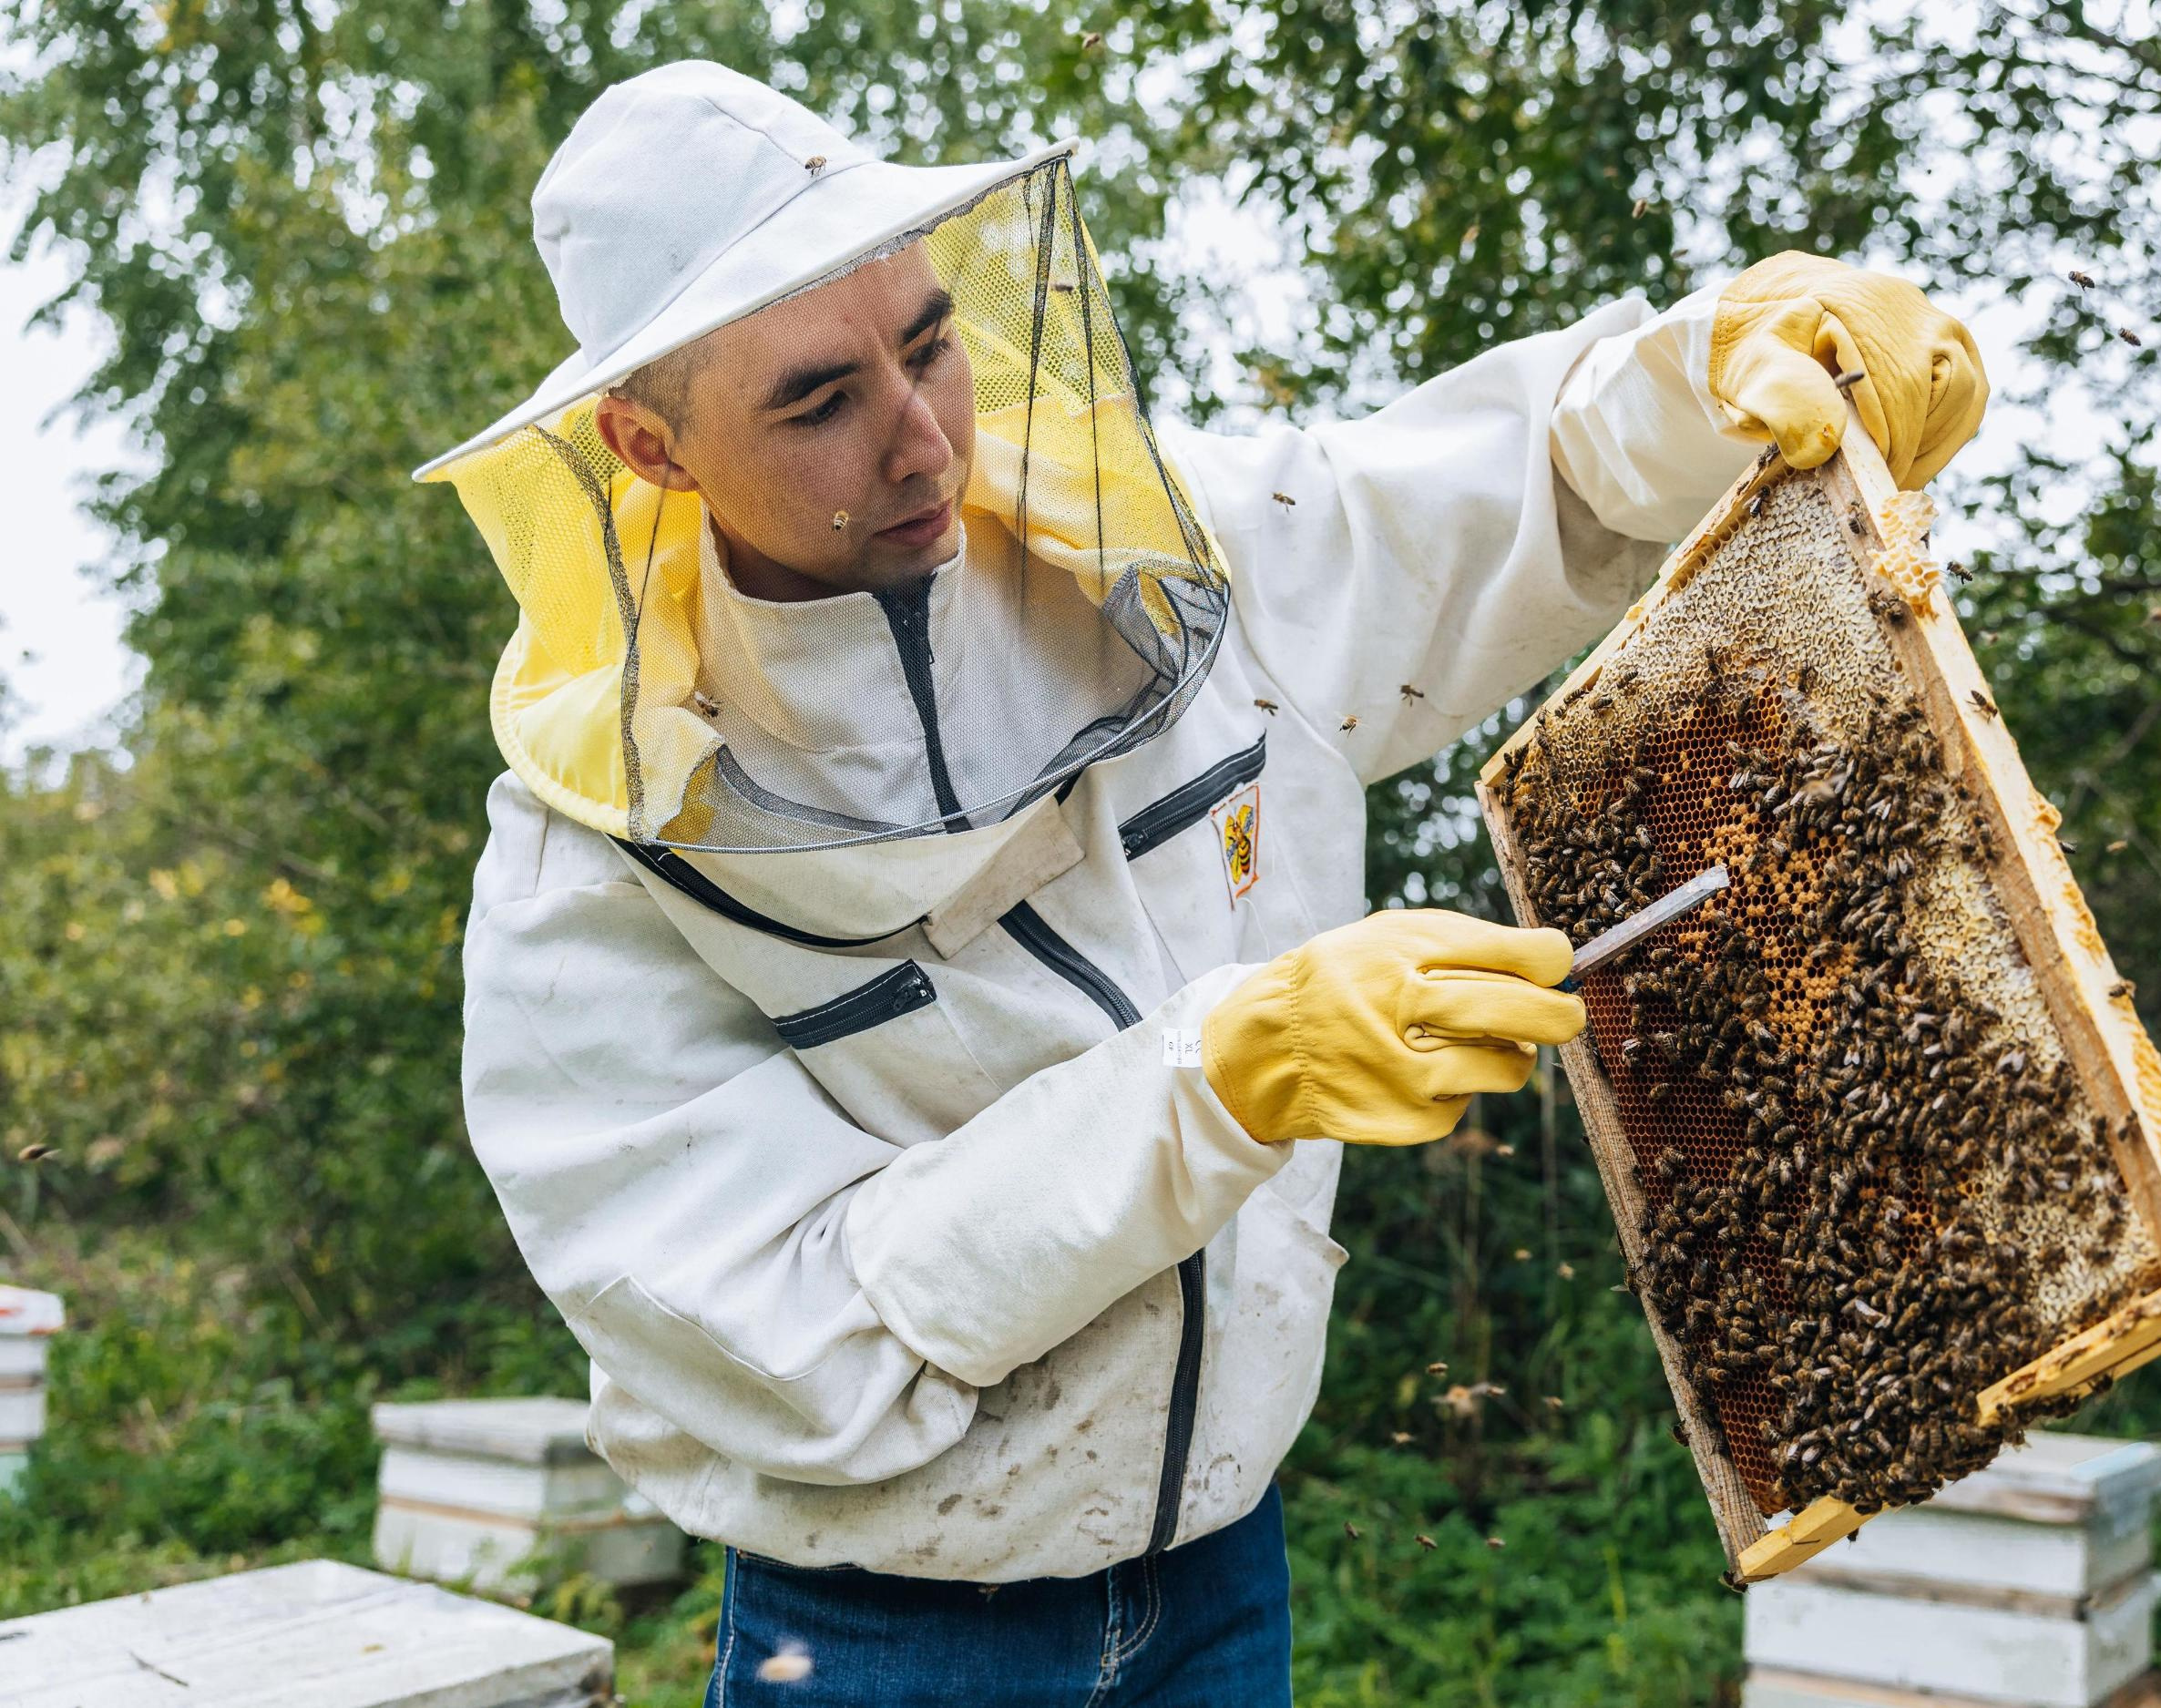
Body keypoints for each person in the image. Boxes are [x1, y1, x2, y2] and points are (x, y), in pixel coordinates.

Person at [420, 58, 1986, 1708]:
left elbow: (1497, 501)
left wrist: (1712, 367)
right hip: (886, 1636)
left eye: (933, 342)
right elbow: (793, 1343)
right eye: (819, 400)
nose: (920, 438)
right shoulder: (589, 873)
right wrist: (1218, 1082)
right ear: (645, 445)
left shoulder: (1156, 560)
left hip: (1224, 1574)